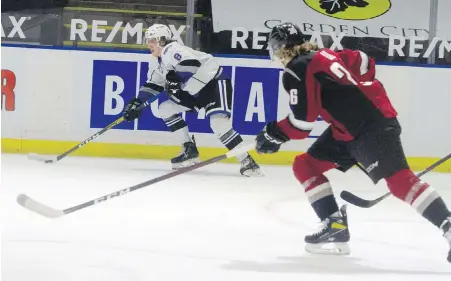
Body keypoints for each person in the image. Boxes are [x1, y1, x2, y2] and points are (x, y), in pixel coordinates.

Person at [254, 22, 451, 261]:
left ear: (281, 48)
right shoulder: (325, 54)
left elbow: (302, 124)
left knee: (400, 182)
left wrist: (273, 133)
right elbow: (366, 63)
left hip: (368, 127)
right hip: (348, 130)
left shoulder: (297, 68)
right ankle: (334, 226)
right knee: (305, 165)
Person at [123, 24, 262, 177]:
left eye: (151, 40)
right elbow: (154, 84)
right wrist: (137, 103)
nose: (148, 44)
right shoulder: (156, 61)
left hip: (213, 83)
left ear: (161, 40)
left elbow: (190, 65)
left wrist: (174, 77)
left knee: (219, 125)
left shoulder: (172, 49)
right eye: (147, 40)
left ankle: (248, 162)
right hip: (193, 90)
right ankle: (189, 149)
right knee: (165, 109)